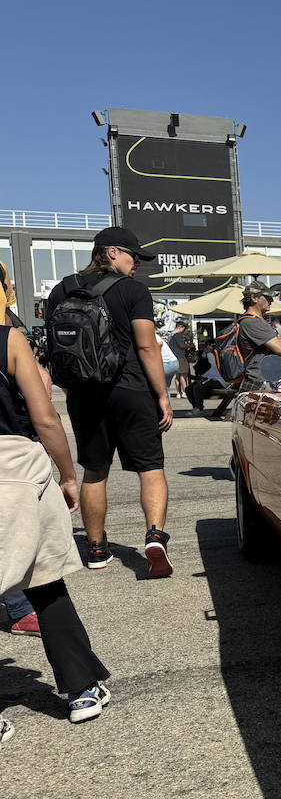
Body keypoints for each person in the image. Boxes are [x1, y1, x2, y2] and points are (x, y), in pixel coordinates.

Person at [0, 320, 113, 728]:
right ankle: (81, 690)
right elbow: (45, 416)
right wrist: (67, 474)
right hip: (12, 468)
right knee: (44, 579)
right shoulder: (9, 339)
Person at [45, 227, 174, 577]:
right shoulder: (133, 290)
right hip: (132, 390)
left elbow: (56, 350)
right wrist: (163, 395)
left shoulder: (61, 290)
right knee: (150, 468)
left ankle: (97, 549)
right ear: (113, 252)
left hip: (85, 394)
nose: (137, 266)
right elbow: (147, 346)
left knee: (95, 472)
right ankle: (154, 537)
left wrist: (73, 390)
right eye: (134, 258)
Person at [207, 282, 281, 420]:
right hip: (259, 383)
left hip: (262, 381)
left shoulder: (258, 321)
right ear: (254, 298)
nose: (271, 300)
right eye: (267, 297)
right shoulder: (251, 323)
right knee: (262, 428)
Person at [169, 320, 193, 398]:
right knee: (183, 375)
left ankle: (178, 393)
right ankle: (185, 392)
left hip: (173, 357)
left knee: (177, 376)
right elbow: (182, 345)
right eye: (184, 329)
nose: (184, 331)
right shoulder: (177, 335)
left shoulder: (171, 335)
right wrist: (190, 345)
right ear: (180, 327)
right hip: (180, 357)